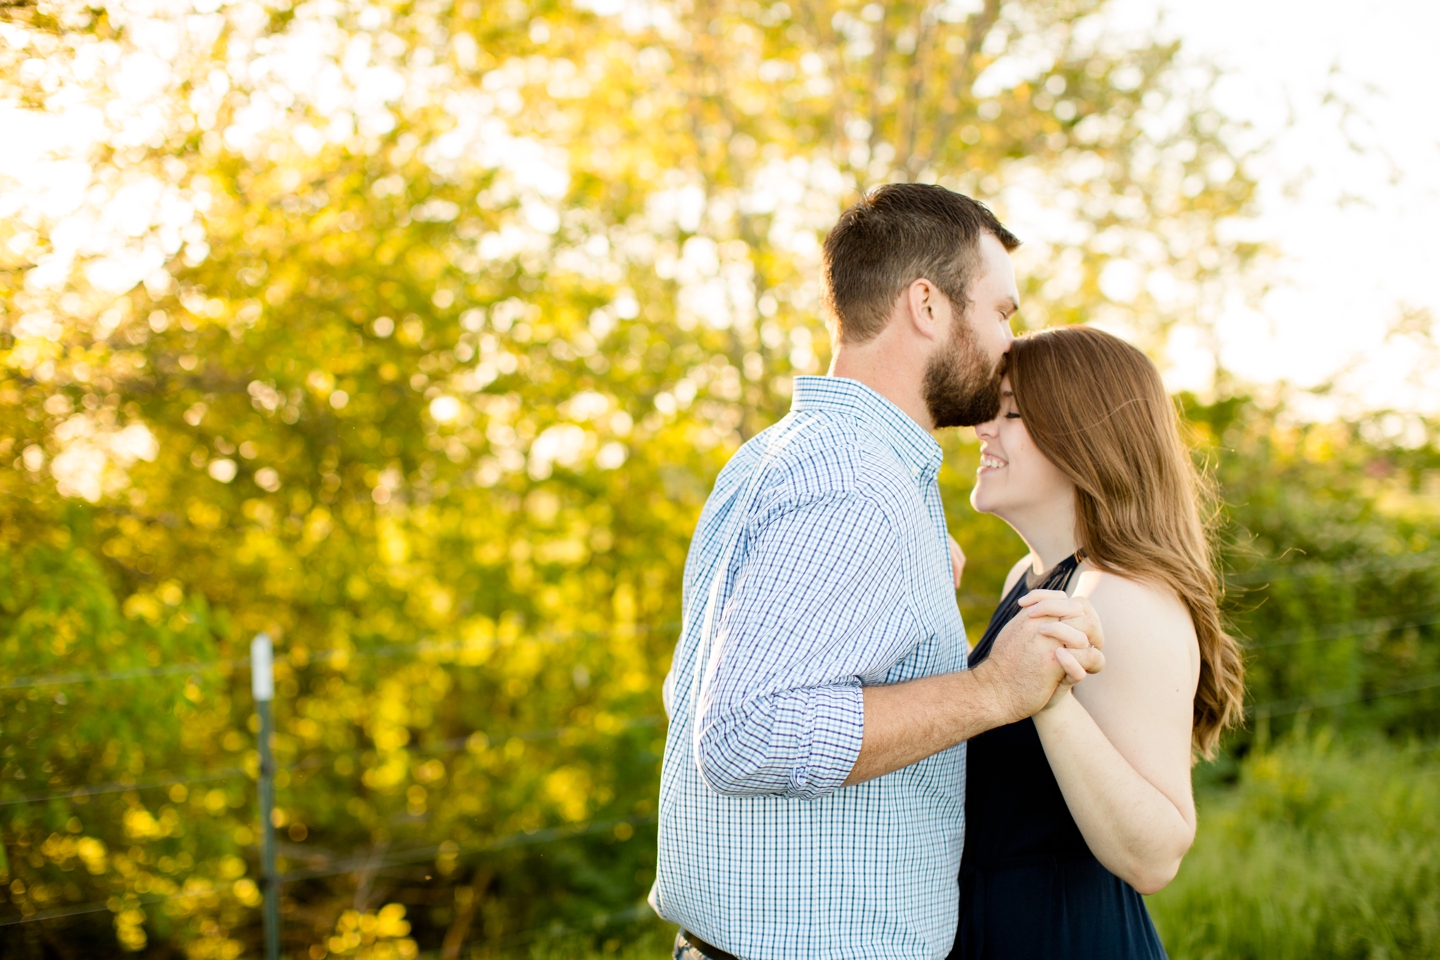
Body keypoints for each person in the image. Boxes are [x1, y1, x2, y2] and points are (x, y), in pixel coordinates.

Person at [649, 183, 1107, 960]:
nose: (1008, 349)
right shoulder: (855, 482)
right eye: (1002, 312)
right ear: (927, 305)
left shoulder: (781, 455)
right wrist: (994, 688)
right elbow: (742, 733)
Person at [951, 325, 1246, 959]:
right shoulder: (1029, 578)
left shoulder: (1125, 600)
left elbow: (1156, 855)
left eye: (1012, 412)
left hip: (1066, 938)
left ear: (1083, 438)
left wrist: (1048, 697)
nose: (982, 428)